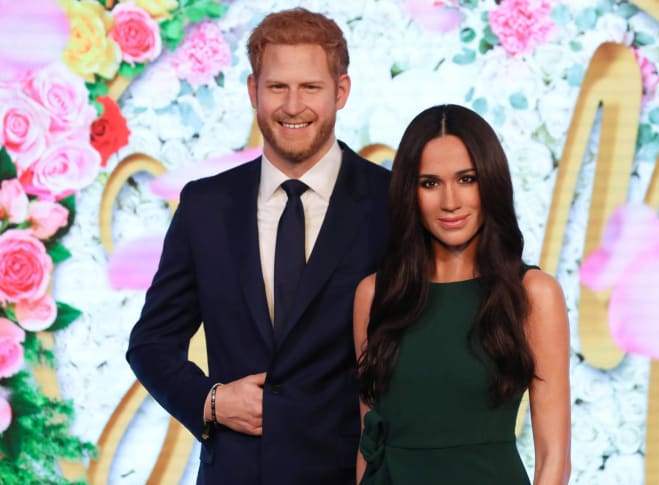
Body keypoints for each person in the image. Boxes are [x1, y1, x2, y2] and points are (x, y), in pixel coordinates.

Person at [126, 8, 390, 484]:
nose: (293, 106)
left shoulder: (391, 203)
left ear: (341, 91)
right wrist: (210, 401)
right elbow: (151, 343)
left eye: (310, 87)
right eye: (276, 87)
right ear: (253, 91)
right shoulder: (205, 206)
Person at [353, 105, 571, 484]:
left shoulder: (534, 294)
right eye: (430, 183)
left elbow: (554, 458)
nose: (450, 201)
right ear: (410, 191)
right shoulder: (375, 295)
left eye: (467, 179)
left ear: (491, 182)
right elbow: (368, 444)